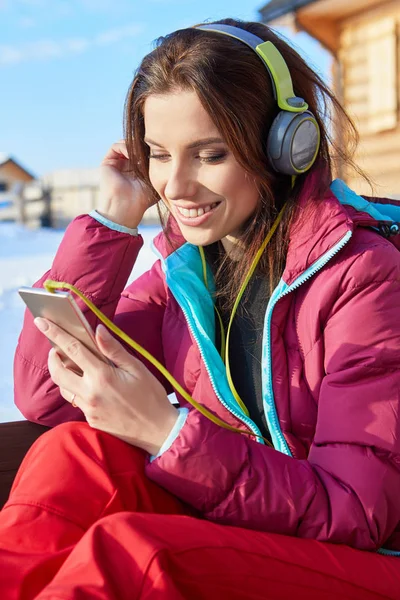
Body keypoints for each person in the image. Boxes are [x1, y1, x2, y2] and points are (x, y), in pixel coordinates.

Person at [1, 17, 400, 600]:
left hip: (366, 559)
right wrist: (113, 222)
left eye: (209, 154)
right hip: (254, 525)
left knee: (143, 556)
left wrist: (167, 434)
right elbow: (47, 396)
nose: (176, 186)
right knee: (76, 454)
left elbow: (358, 513)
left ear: (286, 144)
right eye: (159, 156)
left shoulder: (364, 277)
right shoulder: (186, 275)